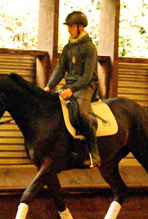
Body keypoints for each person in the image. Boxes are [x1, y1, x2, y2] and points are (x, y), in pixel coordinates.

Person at [44, 11, 101, 167]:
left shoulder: (90, 48)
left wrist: (72, 89)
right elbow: (59, 70)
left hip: (85, 86)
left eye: (71, 26)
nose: (68, 29)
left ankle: (94, 154)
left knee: (82, 115)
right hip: (69, 86)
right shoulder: (68, 47)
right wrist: (49, 86)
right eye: (68, 27)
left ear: (80, 27)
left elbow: (88, 75)